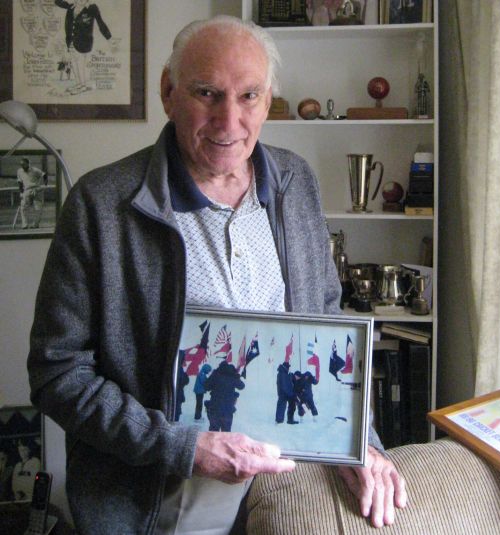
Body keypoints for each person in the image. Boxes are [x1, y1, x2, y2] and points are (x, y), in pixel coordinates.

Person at [27, 15, 406, 534]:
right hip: (160, 492)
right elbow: (57, 373)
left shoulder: (295, 182)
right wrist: (185, 447)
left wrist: (358, 442)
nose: (229, 122)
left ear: (269, 99)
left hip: (286, 476)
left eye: (249, 96)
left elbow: (326, 325)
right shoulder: (100, 204)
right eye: (207, 93)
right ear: (168, 92)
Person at [54, 0, 112, 95]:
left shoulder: (92, 8)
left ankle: (83, 85)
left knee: (80, 64)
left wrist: (109, 38)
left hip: (84, 42)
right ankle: (79, 84)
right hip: (71, 41)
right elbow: (57, 2)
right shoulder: (71, 6)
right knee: (74, 62)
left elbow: (100, 23)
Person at [204, 361, 245, 432]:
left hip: (215, 407)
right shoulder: (232, 376)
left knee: (213, 432)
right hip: (227, 409)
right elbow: (241, 386)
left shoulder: (216, 374)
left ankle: (213, 443)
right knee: (226, 433)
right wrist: (236, 376)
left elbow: (206, 386)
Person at [16, 157, 47, 229]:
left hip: (37, 189)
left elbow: (44, 175)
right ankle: (24, 224)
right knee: (23, 207)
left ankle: (35, 224)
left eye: (24, 164)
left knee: (38, 208)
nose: (23, 166)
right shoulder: (19, 171)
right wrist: (21, 192)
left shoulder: (35, 170)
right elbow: (20, 182)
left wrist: (45, 185)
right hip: (26, 190)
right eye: (21, 165)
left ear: (28, 164)